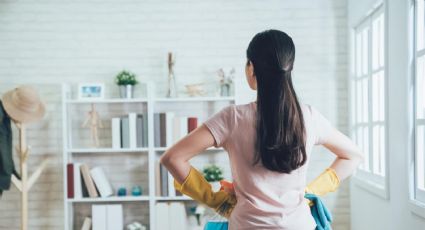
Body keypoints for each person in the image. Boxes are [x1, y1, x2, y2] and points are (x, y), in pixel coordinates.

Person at [160, 29, 363, 230]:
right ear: (289, 68)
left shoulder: (232, 118)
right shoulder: (309, 116)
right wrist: (310, 190)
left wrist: (215, 199)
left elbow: (172, 158)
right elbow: (352, 156)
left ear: (251, 68)